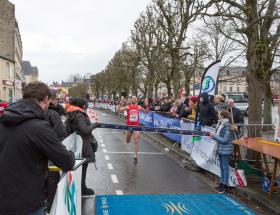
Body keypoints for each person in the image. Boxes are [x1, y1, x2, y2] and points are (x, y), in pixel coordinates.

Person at [0, 82, 75, 215]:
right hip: (27, 203)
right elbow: (66, 161)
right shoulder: (39, 127)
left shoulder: (4, 119)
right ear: (46, 99)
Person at [66, 98, 98, 196]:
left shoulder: (72, 113)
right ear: (83, 105)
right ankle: (82, 188)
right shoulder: (79, 115)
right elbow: (85, 130)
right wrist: (95, 125)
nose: (86, 106)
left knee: (79, 167)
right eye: (86, 105)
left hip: (77, 143)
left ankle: (81, 187)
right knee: (83, 166)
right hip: (83, 144)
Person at [45, 90, 68, 211]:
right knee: (53, 178)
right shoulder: (52, 114)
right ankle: (51, 207)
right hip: (51, 152)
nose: (58, 102)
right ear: (50, 99)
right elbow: (61, 133)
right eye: (57, 99)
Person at [209, 109, 235, 193]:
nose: (218, 115)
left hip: (225, 149)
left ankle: (225, 185)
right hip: (220, 148)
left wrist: (214, 136)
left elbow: (225, 140)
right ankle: (222, 182)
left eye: (219, 114)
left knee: (225, 167)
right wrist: (214, 136)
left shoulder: (226, 126)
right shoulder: (221, 124)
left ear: (223, 116)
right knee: (222, 167)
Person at [117, 95, 148, 163]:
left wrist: (147, 105)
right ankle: (126, 132)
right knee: (127, 141)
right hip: (129, 126)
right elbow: (118, 111)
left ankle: (135, 155)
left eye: (135, 98)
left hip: (136, 126)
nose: (134, 99)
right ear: (131, 100)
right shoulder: (128, 107)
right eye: (133, 98)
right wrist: (120, 104)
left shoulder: (138, 107)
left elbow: (146, 112)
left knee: (136, 140)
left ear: (136, 100)